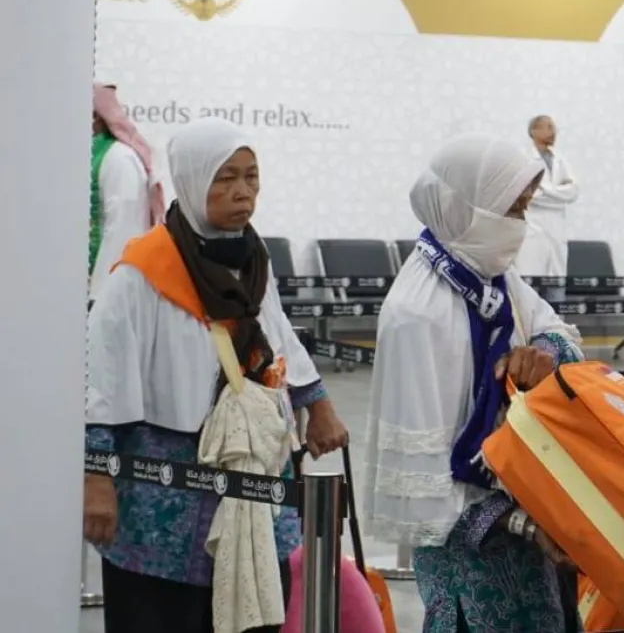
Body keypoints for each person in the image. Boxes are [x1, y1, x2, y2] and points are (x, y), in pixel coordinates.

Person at [83, 117, 349, 633]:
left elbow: (278, 334)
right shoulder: (141, 272)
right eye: (225, 177)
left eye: (251, 176)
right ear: (192, 177)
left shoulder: (252, 258)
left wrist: (317, 403)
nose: (242, 192)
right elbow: (103, 378)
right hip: (162, 504)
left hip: (252, 479)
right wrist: (96, 476)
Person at [364, 134, 586, 633]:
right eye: (511, 210)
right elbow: (429, 482)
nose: (521, 227)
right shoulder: (416, 315)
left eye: (526, 209)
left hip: (534, 531)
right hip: (470, 557)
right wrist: (524, 524)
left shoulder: (491, 278)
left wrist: (543, 355)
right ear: (466, 207)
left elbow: (558, 330)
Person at [90, 83, 166, 302]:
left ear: (95, 116)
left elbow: (122, 231)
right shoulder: (81, 155)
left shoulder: (119, 158)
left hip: (104, 295)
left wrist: (98, 298)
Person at [515, 115, 579, 283]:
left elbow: (573, 191)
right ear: (533, 131)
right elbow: (529, 194)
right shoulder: (524, 159)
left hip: (557, 228)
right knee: (530, 282)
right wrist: (559, 193)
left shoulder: (560, 159)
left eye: (554, 128)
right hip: (533, 228)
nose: (554, 132)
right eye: (549, 127)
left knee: (557, 282)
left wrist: (545, 189)